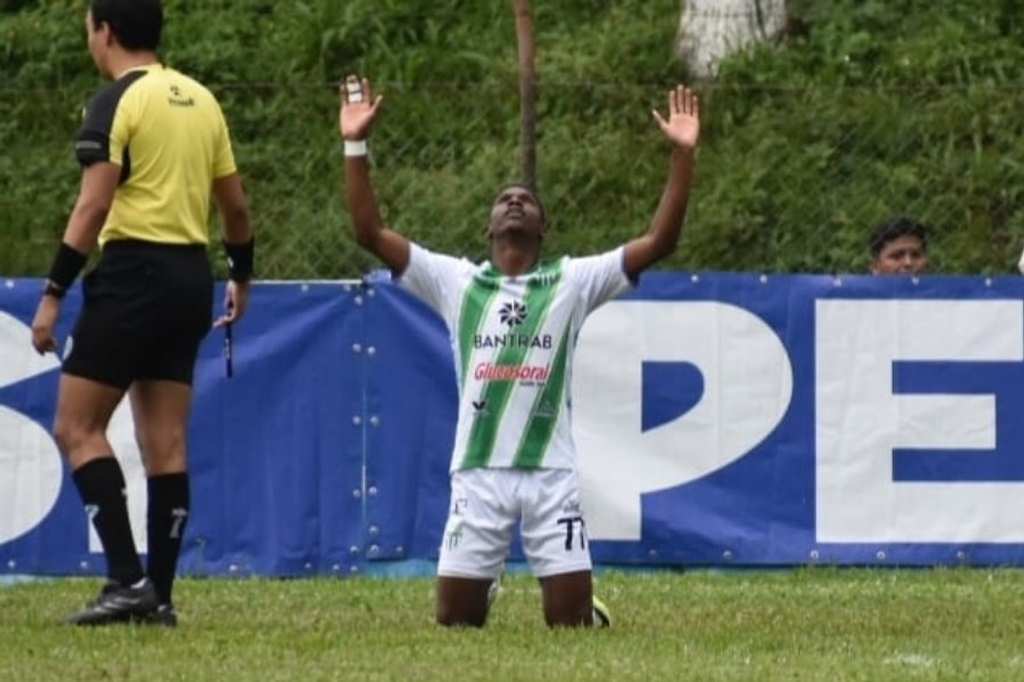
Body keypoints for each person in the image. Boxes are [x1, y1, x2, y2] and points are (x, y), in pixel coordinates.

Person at [339, 74, 700, 627]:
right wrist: (355, 145)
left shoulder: (573, 281)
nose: (514, 202)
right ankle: (483, 586)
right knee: (456, 623)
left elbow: (660, 242)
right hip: (478, 473)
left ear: (542, 227)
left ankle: (584, 606)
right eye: (504, 199)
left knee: (568, 627)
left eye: (526, 200)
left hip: (550, 474)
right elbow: (370, 232)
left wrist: (682, 156)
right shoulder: (456, 282)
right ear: (489, 228)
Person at [29, 0, 254, 626]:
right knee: (166, 442)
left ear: (106, 31)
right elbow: (236, 208)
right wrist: (240, 275)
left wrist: (53, 292)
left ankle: (126, 579)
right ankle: (160, 595)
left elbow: (93, 205)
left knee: (76, 426)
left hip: (132, 271)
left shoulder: (116, 100)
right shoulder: (202, 100)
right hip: (191, 277)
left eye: (89, 27)